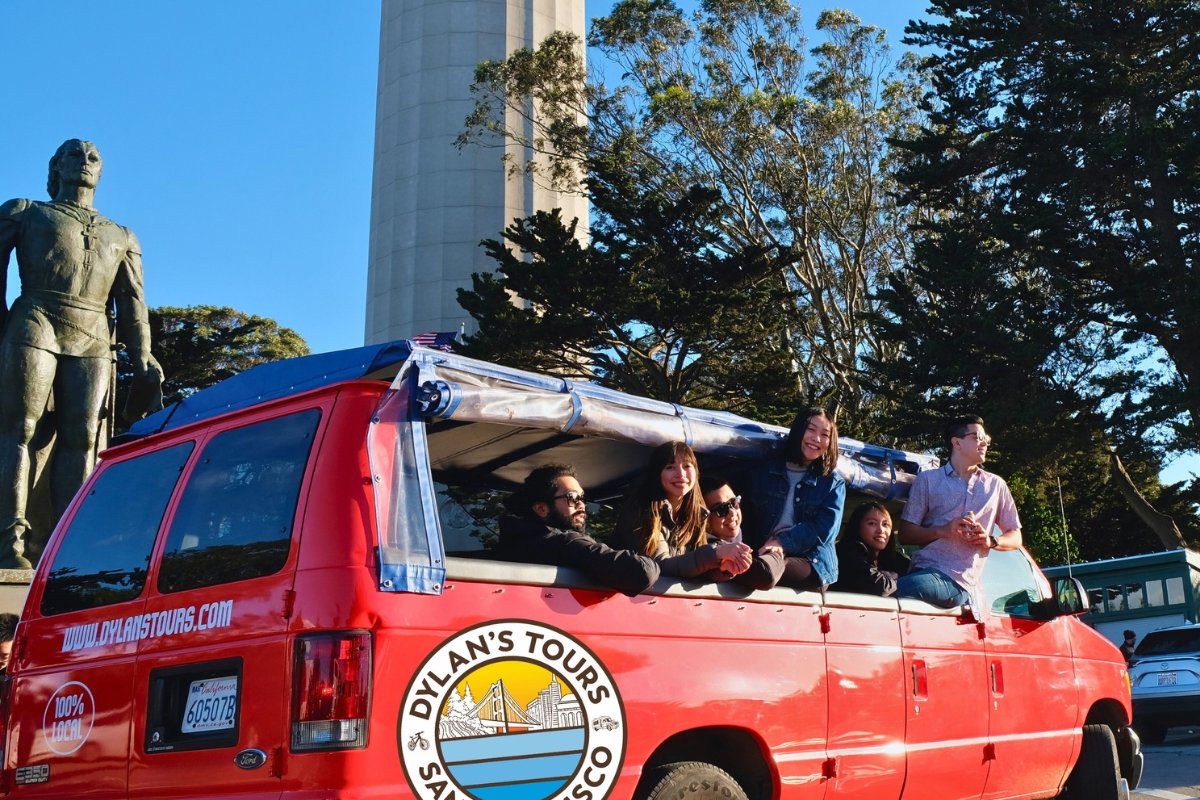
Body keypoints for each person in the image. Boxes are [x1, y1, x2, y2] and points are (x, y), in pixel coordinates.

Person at [0, 139, 163, 568]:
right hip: (36, 317)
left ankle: (66, 545)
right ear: (56, 166)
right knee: (20, 428)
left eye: (93, 158)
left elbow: (132, 303)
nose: (85, 162)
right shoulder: (24, 212)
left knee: (84, 437)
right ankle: (9, 540)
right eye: (75, 154)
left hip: (93, 332)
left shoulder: (122, 235)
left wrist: (142, 354)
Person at [895, 414, 1022, 609]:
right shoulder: (928, 480)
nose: (984, 444)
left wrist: (991, 540)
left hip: (959, 580)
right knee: (888, 585)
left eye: (986, 440)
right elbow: (905, 534)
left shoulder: (996, 485)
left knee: (895, 589)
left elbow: (1015, 537)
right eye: (977, 438)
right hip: (922, 570)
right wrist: (944, 530)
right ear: (957, 443)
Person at [493, 464, 660, 596]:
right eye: (572, 497)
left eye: (582, 497)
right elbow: (641, 572)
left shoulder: (517, 542)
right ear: (541, 508)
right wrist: (661, 565)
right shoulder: (562, 543)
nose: (582, 504)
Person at [613, 442, 753, 579]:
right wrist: (715, 554)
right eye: (670, 467)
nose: (681, 474)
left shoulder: (697, 515)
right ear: (657, 474)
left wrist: (722, 567)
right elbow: (660, 566)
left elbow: (693, 568)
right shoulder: (641, 510)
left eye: (687, 466)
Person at [744, 408, 845, 591]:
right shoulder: (765, 471)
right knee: (736, 562)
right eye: (811, 430)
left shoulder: (832, 483)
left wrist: (782, 542)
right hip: (763, 550)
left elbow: (824, 530)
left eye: (825, 434)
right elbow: (749, 518)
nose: (817, 439)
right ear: (799, 430)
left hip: (811, 560)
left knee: (761, 571)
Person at [701, 474, 786, 590]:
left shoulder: (755, 540)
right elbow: (764, 575)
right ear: (703, 516)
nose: (732, 513)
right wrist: (777, 554)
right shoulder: (704, 551)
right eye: (721, 509)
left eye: (734, 503)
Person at [831, 502, 910, 596]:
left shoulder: (894, 558)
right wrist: (893, 578)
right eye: (872, 523)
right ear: (857, 526)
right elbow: (879, 587)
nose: (880, 530)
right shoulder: (848, 552)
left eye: (885, 524)